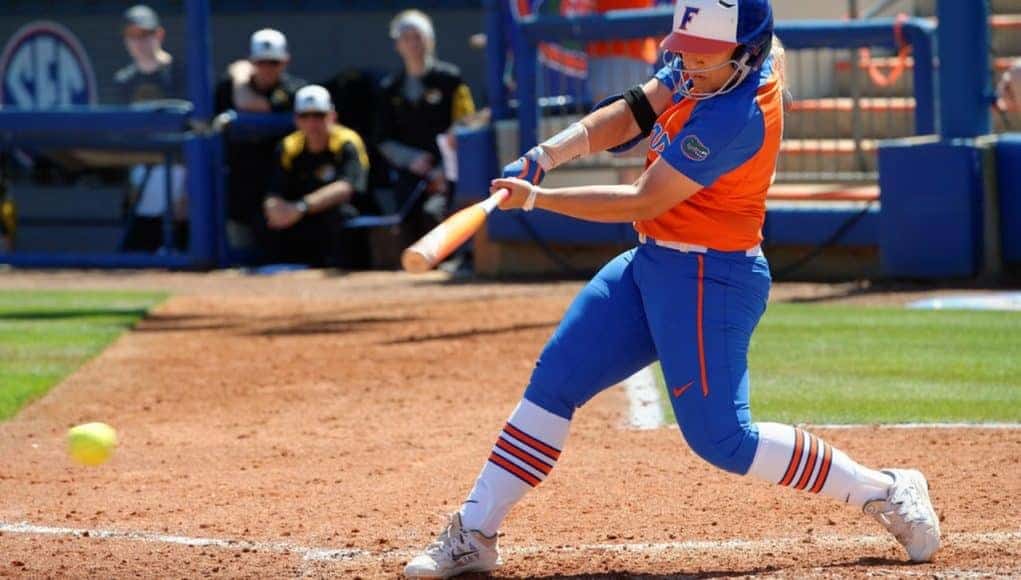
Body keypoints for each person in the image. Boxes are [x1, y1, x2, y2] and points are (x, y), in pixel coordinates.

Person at [403, 1, 940, 577]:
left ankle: (883, 489)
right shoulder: (702, 65)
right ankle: (474, 531)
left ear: (744, 53)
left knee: (724, 441)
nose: (686, 63)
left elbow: (642, 199)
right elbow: (633, 111)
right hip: (652, 263)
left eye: (701, 56)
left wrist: (537, 199)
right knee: (554, 381)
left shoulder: (738, 114)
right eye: (682, 49)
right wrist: (547, 155)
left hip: (713, 279)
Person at [375, 9, 477, 241]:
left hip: (449, 172)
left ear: (430, 40)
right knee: (407, 224)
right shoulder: (390, 88)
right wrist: (411, 160)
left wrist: (443, 168)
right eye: (406, 38)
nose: (413, 44)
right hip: (410, 174)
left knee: (433, 214)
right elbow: (383, 138)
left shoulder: (450, 79)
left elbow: (466, 123)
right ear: (397, 45)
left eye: (418, 37)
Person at [215, 29, 306, 256]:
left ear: (286, 62)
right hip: (238, 186)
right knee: (237, 256)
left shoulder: (294, 91)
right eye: (261, 62)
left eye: (274, 62)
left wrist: (240, 79)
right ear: (252, 62)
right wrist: (238, 78)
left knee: (279, 256)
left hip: (279, 189)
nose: (267, 68)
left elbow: (254, 104)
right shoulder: (228, 88)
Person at [262, 85, 370, 267]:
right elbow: (274, 191)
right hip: (300, 218)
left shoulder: (346, 142)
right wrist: (274, 209)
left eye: (319, 116)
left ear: (332, 117)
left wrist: (302, 206)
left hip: (339, 216)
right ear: (296, 119)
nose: (312, 123)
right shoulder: (289, 146)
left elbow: (346, 187)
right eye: (305, 116)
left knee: (342, 216)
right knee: (264, 222)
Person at [114, 4, 188, 253]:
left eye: (144, 34)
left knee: (181, 256)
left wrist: (189, 191)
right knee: (136, 255)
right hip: (141, 175)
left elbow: (196, 131)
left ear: (159, 34)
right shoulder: (124, 81)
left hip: (179, 173)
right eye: (132, 36)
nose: (139, 42)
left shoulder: (180, 74)